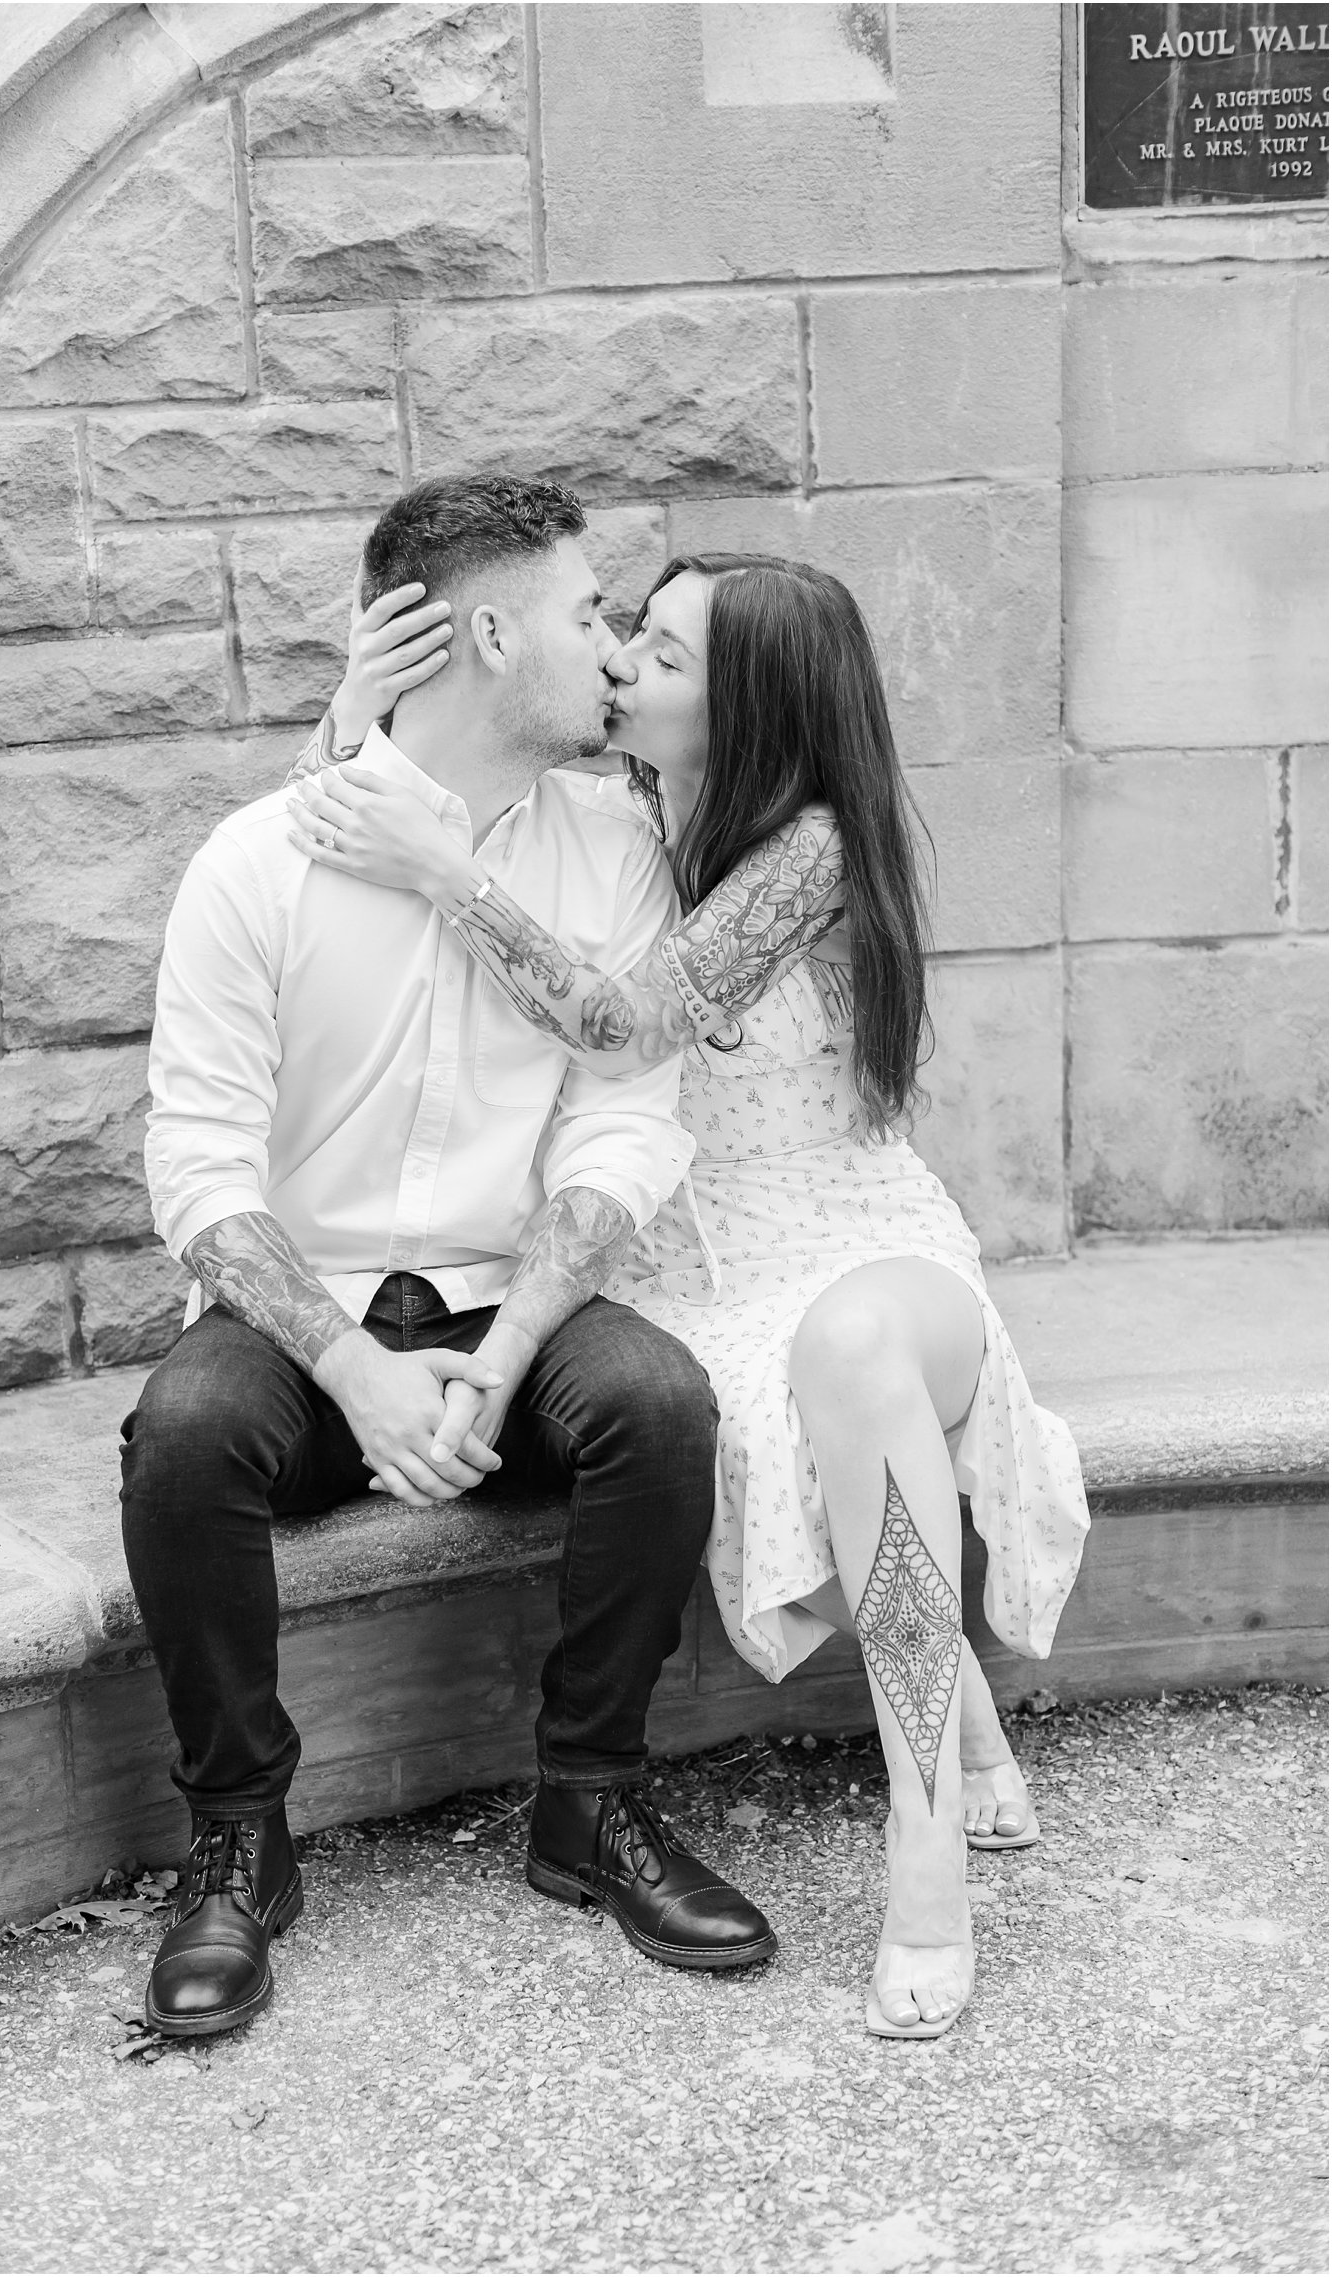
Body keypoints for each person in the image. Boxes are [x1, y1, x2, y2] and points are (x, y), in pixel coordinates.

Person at [286, 549, 1092, 2041]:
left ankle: (924, 1840)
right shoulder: (614, 815)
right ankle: (957, 1706)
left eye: (657, 651)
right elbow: (353, 837)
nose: (618, 665)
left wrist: (446, 870)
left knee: (844, 1355)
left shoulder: (813, 851)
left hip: (856, 1236)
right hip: (687, 1263)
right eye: (625, 633)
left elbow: (624, 1016)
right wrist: (356, 715)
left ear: (749, 703)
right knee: (786, 1419)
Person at [124, 481, 779, 2042]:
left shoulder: (609, 850)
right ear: (490, 632)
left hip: (511, 1291)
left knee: (657, 1403)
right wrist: (351, 1367)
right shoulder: (256, 864)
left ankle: (592, 1800)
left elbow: (622, 1122)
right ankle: (238, 1837)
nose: (611, 646)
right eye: (584, 613)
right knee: (185, 1437)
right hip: (309, 1304)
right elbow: (199, 1170)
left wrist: (508, 1345)